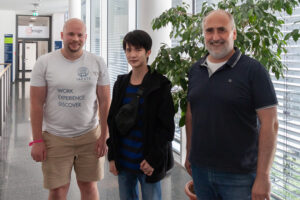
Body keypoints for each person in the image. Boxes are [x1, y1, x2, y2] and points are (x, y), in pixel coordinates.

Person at [185, 10, 278, 200]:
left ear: (234, 33)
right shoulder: (195, 70)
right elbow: (191, 113)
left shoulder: (254, 71)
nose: (215, 37)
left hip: (239, 176)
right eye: (209, 31)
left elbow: (271, 124)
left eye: (222, 30)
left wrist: (263, 176)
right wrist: (189, 153)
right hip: (201, 171)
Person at [30, 18, 110, 200]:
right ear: (62, 36)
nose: (75, 38)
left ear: (86, 37)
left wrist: (104, 136)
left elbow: (105, 101)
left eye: (80, 35)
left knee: (89, 186)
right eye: (71, 34)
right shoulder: (44, 63)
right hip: (55, 137)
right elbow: (36, 104)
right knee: (58, 190)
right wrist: (37, 141)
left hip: (90, 135)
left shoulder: (97, 62)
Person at [107, 30, 175, 200]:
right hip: (124, 160)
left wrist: (153, 159)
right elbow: (112, 121)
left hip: (147, 162)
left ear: (148, 52)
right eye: (128, 50)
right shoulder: (121, 83)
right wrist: (112, 156)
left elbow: (166, 128)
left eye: (138, 50)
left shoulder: (160, 84)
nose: (132, 54)